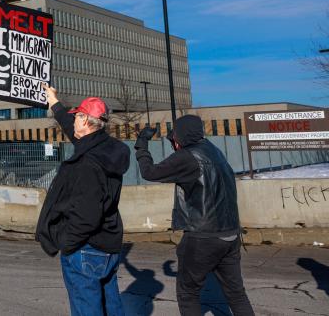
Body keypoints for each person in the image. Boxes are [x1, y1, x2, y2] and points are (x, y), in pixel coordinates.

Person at [134, 115, 254, 316]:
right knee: (236, 294)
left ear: (180, 137)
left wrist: (142, 146)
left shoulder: (187, 156)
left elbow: (150, 172)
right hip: (230, 234)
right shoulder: (215, 152)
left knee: (188, 294)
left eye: (174, 140)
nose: (174, 144)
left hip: (202, 236)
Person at [36, 85, 130, 316]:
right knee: (110, 306)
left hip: (86, 247)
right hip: (108, 242)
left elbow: (86, 214)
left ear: (87, 121)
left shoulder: (88, 163)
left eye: (77, 116)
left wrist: (68, 244)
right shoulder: (106, 148)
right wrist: (54, 102)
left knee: (87, 309)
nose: (74, 120)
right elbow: (74, 131)